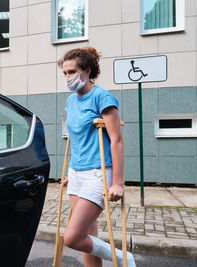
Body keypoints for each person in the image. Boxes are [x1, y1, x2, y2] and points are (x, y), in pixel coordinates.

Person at [58, 47, 136, 267]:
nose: (67, 77)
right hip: (76, 173)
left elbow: (117, 141)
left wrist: (118, 183)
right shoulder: (70, 101)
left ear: (87, 71)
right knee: (87, 235)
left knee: (72, 237)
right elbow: (77, 139)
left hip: (97, 174)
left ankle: (123, 258)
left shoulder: (102, 97)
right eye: (64, 73)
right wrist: (69, 174)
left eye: (71, 72)